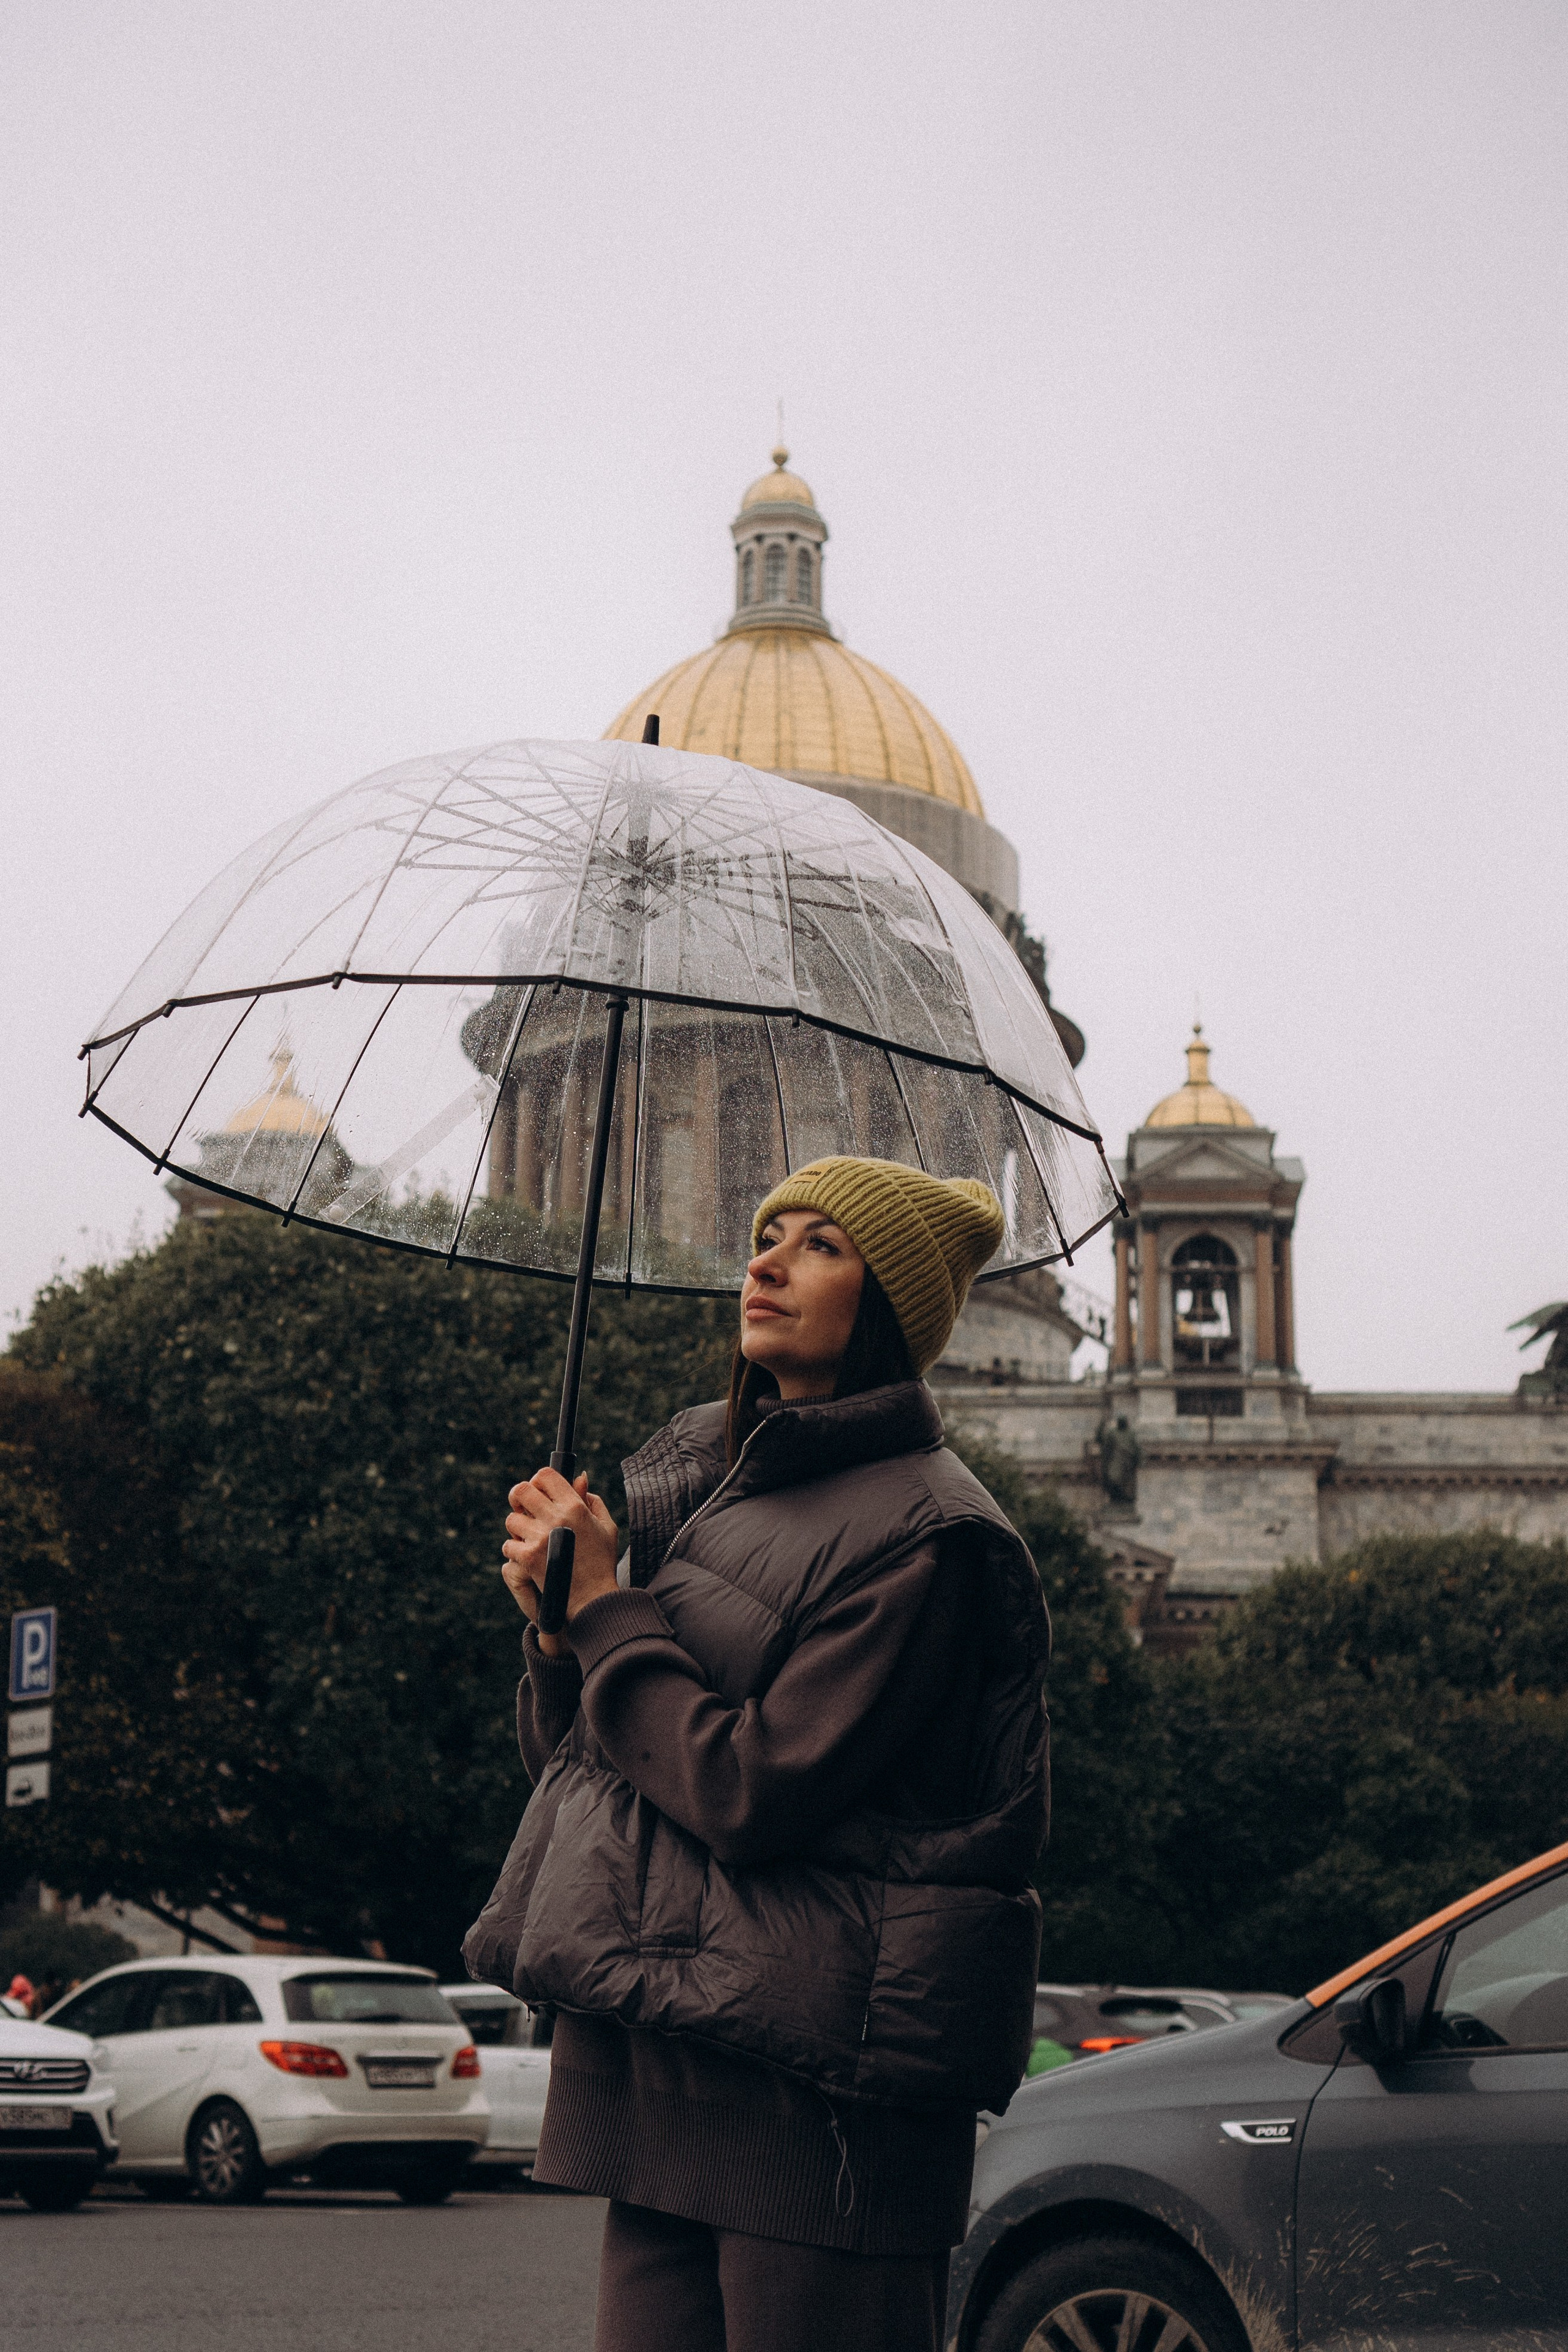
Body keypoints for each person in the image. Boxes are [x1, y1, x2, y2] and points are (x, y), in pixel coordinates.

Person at [466, 1156, 1051, 2352]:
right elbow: (594, 1783)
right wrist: (558, 1632)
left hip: (821, 2104)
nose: (767, 1261)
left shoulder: (932, 1535)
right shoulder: (711, 1487)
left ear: (888, 1306)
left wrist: (610, 1614)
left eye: (821, 1245)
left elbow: (746, 1790)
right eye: (766, 1233)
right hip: (669, 2069)